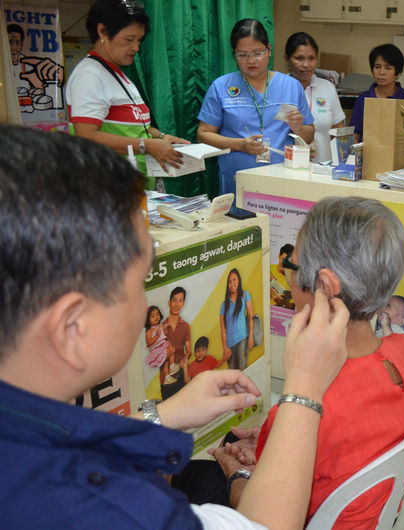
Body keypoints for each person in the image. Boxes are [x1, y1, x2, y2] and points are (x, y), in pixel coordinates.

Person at [0, 124, 350, 529]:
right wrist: (303, 390)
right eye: (141, 278)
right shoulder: (110, 512)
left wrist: (159, 417)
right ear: (72, 327)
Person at [184, 197, 404, 527]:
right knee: (236, 440)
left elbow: (261, 520)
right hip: (371, 509)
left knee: (191, 471)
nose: (289, 276)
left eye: (292, 265)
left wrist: (240, 473)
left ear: (324, 286)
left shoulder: (312, 400)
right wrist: (269, 438)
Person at [65, 0, 189, 190]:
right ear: (102, 32)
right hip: (107, 187)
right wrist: (147, 145)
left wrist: (161, 136)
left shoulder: (117, 73)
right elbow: (87, 136)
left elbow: (133, 124)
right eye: (129, 40)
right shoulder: (89, 75)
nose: (136, 48)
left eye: (139, 40)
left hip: (131, 185)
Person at [197, 19, 315, 197]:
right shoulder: (221, 86)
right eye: (242, 54)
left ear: (269, 50)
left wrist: (298, 127)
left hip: (282, 181)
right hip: (237, 182)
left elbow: (309, 133)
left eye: (257, 53)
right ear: (234, 54)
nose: (251, 60)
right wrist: (240, 145)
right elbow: (203, 134)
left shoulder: (291, 86)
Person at [284, 32, 346, 163]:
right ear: (287, 59)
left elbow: (339, 133)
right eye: (299, 58)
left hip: (323, 169)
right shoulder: (279, 89)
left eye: (311, 58)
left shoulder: (327, 88)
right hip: (287, 167)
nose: (306, 64)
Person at [349, 43, 404, 142]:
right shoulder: (363, 99)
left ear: (398, 72)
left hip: (397, 156)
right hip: (367, 156)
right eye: (377, 67)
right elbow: (355, 134)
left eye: (388, 68)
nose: (381, 72)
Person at [220, 268, 255, 371]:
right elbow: (223, 329)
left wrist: (251, 337)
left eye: (234, 280)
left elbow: (251, 317)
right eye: (229, 282)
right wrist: (225, 347)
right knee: (232, 376)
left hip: (242, 339)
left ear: (238, 280)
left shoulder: (245, 295)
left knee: (241, 371)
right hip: (230, 345)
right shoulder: (224, 304)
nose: (232, 283)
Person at [161, 285, 191, 399]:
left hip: (181, 375)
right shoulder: (161, 327)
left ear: (183, 303)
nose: (177, 304)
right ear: (169, 303)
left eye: (180, 301)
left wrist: (185, 359)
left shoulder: (186, 326)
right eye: (174, 300)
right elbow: (157, 355)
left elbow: (188, 351)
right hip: (165, 378)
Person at [144, 305, 175, 387]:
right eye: (153, 316)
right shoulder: (149, 331)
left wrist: (166, 329)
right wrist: (156, 336)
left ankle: (169, 373)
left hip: (163, 347)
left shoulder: (159, 326)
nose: (156, 317)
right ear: (147, 321)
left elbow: (164, 335)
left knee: (169, 354)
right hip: (157, 351)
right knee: (168, 352)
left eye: (157, 314)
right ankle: (171, 368)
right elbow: (149, 343)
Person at [270, 242, 295, 308]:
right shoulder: (268, 268)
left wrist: (278, 301)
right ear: (279, 255)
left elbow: (292, 306)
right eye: (283, 259)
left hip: (279, 313)